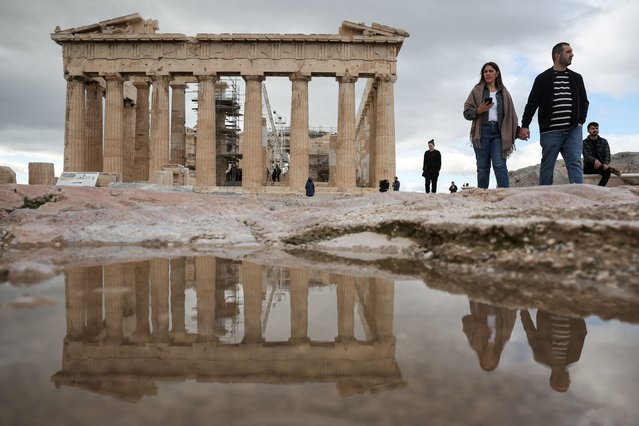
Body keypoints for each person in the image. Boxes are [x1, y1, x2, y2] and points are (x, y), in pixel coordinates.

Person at [519, 42, 589, 185]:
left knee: (575, 163)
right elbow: (532, 103)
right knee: (547, 165)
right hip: (550, 131)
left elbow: (584, 102)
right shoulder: (542, 78)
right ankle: (545, 195)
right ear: (558, 55)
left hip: (573, 130)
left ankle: (578, 195)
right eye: (568, 52)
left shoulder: (577, 78)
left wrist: (580, 121)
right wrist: (525, 125)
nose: (572, 55)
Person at [464, 62, 519, 188]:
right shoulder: (477, 90)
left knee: (499, 164)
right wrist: (479, 110)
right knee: (482, 167)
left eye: (491, 71)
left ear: (497, 73)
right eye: (485, 71)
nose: (488, 73)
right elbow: (466, 113)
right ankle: (483, 197)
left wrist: (518, 130)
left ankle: (505, 196)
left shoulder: (504, 92)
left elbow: (511, 115)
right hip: (482, 132)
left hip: (500, 133)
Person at [520, 309, 587, 392]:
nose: (568, 377)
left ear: (554, 377)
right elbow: (582, 333)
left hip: (547, 310)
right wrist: (577, 311)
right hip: (570, 311)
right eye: (567, 380)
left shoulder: (541, 357)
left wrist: (523, 311)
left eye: (564, 379)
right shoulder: (574, 357)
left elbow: (530, 332)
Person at [583, 122, 618, 186]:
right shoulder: (584, 142)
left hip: (601, 167)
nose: (595, 130)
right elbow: (586, 155)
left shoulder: (604, 141)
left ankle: (599, 188)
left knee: (607, 171)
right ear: (588, 131)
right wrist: (594, 161)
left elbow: (607, 154)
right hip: (589, 167)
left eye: (596, 128)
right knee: (589, 161)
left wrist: (606, 163)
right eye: (592, 128)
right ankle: (611, 169)